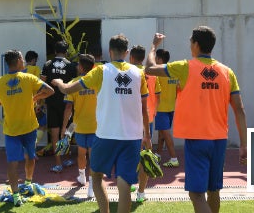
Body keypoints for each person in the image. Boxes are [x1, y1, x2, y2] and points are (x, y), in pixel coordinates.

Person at [145, 26, 247, 213]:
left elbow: (150, 68)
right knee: (213, 190)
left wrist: (153, 46)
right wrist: (244, 144)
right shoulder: (227, 72)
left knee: (196, 194)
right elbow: (239, 109)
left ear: (196, 44)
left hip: (196, 139)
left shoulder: (185, 67)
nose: (189, 44)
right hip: (219, 140)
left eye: (191, 41)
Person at [51, 34, 151, 213]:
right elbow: (145, 109)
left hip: (105, 135)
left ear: (110, 51)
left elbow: (67, 89)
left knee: (96, 176)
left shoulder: (100, 71)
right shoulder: (139, 73)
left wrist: (58, 81)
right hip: (132, 136)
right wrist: (148, 136)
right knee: (125, 183)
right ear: (127, 52)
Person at [0, 50, 55, 207]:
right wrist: (36, 98)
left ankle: (16, 195)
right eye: (22, 58)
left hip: (11, 130)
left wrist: (3, 101)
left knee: (13, 162)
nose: (24, 61)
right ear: (17, 60)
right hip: (29, 127)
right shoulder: (29, 78)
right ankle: (29, 182)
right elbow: (50, 91)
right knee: (30, 157)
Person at [61, 54, 97, 198]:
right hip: (96, 126)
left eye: (77, 65)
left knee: (81, 154)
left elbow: (68, 108)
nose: (76, 67)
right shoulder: (98, 82)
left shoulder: (73, 83)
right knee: (93, 156)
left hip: (79, 126)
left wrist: (64, 127)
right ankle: (91, 187)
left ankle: (82, 177)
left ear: (81, 67)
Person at [128, 45, 160, 203]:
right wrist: (153, 112)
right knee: (146, 156)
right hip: (149, 119)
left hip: (131, 120)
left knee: (130, 155)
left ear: (131, 58)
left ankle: (130, 185)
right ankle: (141, 192)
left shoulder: (128, 72)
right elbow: (158, 95)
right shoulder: (151, 74)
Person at [41, 40, 77, 173]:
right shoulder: (72, 65)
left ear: (55, 51)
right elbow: (74, 85)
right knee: (67, 132)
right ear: (66, 52)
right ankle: (67, 158)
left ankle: (58, 164)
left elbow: (42, 83)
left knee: (55, 134)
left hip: (51, 102)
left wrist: (41, 100)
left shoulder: (47, 64)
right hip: (68, 103)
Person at [153, 48, 179, 168]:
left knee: (166, 134)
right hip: (170, 107)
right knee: (162, 133)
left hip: (161, 108)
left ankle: (174, 158)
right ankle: (158, 154)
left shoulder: (158, 72)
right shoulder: (173, 71)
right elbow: (178, 88)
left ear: (159, 59)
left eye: (155, 58)